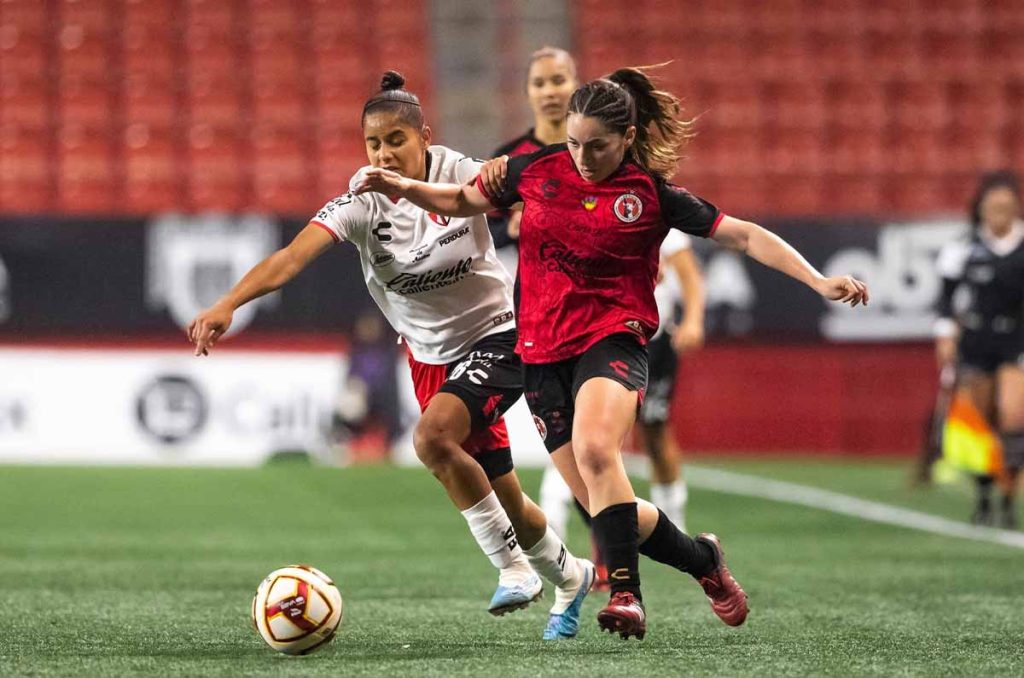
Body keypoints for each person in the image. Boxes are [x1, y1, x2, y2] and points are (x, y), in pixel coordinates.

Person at [355, 65, 869, 640]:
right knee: (607, 500)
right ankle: (704, 561)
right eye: (573, 142)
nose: (581, 156)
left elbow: (744, 234)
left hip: (614, 339)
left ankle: (626, 595)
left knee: (600, 450)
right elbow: (457, 199)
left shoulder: (651, 194)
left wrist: (819, 280)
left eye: (596, 146)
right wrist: (401, 187)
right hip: (540, 355)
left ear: (626, 139)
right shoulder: (533, 171)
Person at [188, 72, 595, 640]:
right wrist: (228, 302)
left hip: (502, 334)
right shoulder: (360, 204)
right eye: (373, 144)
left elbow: (537, 192)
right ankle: (572, 576)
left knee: (430, 439)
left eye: (396, 140)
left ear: (423, 136)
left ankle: (514, 571)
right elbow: (288, 259)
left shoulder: (461, 173)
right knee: (507, 497)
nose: (384, 153)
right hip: (430, 358)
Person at [935, 170, 1024, 529]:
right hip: (976, 338)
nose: (999, 213)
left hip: (1016, 338)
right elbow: (945, 299)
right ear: (981, 209)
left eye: (1006, 206)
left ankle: (1009, 495)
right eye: (992, 206)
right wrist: (944, 334)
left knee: (1013, 413)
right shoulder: (963, 249)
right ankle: (985, 497)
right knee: (982, 420)